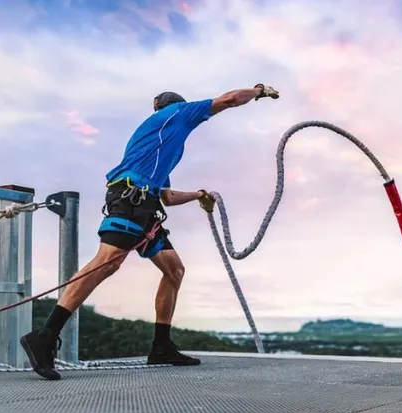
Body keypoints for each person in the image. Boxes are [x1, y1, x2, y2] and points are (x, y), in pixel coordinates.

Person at [20, 84, 281, 381]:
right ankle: (45, 335)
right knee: (108, 261)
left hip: (146, 206)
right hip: (131, 199)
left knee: (174, 269)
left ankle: (161, 346)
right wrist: (259, 90)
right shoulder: (179, 113)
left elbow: (166, 196)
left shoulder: (157, 144)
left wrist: (199, 195)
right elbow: (230, 99)